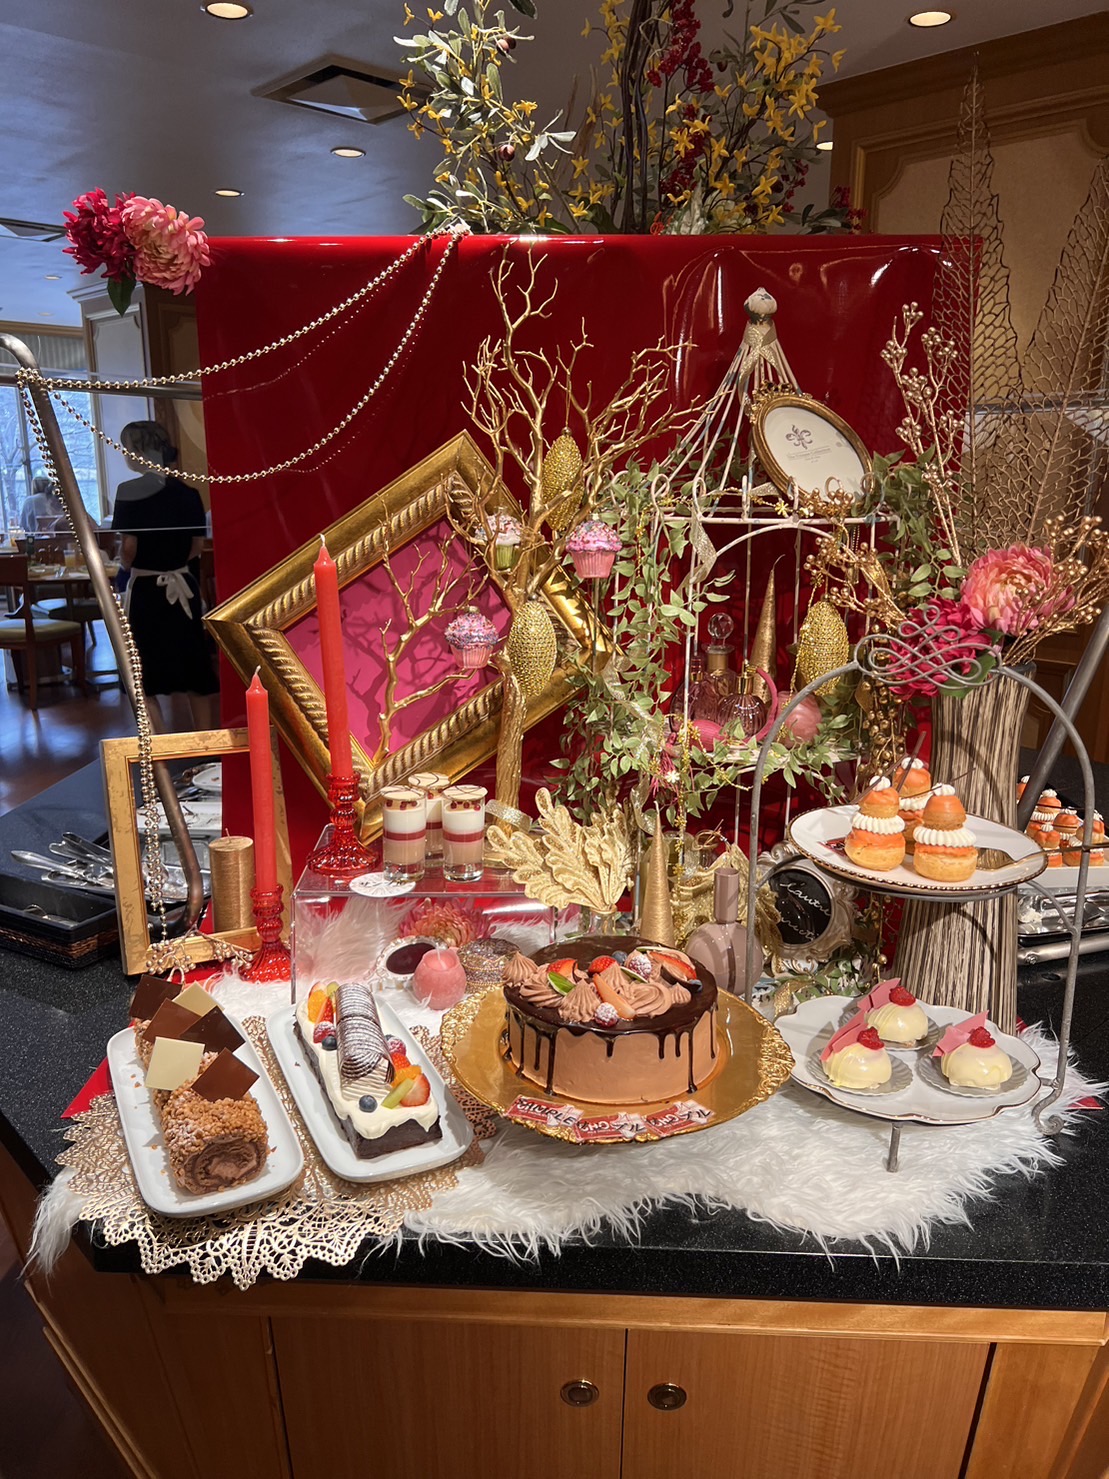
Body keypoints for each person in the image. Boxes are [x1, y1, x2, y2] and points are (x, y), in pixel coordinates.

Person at [111, 420, 219, 729]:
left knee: (143, 674)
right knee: (195, 670)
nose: (125, 454)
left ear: (140, 450)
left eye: (126, 448)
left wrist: (124, 567)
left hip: (148, 590)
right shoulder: (189, 493)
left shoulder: (128, 492)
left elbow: (129, 547)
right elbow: (196, 546)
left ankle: (160, 744)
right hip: (183, 586)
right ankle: (204, 742)